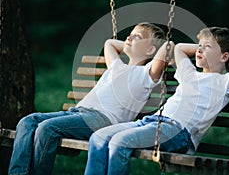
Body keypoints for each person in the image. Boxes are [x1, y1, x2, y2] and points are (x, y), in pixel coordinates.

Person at [83, 27, 229, 175]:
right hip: (151, 122)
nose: (199, 50)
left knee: (119, 142)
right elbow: (176, 48)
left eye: (206, 48)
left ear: (224, 57)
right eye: (198, 46)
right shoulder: (189, 73)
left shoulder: (227, 82)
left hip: (178, 132)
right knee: (98, 137)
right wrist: (206, 47)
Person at [8, 22, 173, 175]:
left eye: (137, 36)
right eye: (129, 34)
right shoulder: (116, 66)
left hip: (103, 119)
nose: (129, 37)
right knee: (27, 122)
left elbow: (166, 47)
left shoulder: (147, 74)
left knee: (47, 128)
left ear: (151, 50)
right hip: (78, 112)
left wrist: (147, 48)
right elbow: (109, 43)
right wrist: (134, 45)